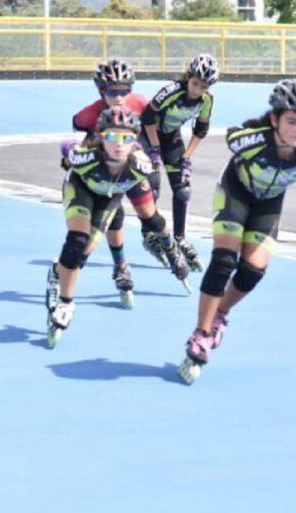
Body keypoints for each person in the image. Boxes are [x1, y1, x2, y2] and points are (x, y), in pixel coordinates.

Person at [178, 79, 296, 383]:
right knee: (224, 261)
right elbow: (232, 137)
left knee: (253, 270)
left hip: (268, 203)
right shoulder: (253, 140)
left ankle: (220, 312)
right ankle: (201, 332)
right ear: (274, 120)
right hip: (236, 191)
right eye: (290, 121)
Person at [45, 107, 192, 348]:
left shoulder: (140, 165)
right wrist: (68, 156)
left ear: (135, 140)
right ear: (102, 137)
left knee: (83, 253)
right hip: (80, 188)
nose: (119, 144)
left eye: (126, 138)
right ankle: (66, 302)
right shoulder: (86, 156)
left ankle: (56, 272)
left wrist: (183, 168)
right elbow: (66, 145)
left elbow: (156, 181)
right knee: (77, 240)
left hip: (109, 196)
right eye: (112, 136)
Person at [64, 60, 160, 299]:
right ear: (101, 93)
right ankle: (120, 266)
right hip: (101, 166)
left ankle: (161, 243)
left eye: (124, 91)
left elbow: (154, 125)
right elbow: (76, 126)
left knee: (147, 207)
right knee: (107, 222)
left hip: (132, 161)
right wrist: (75, 153)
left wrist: (155, 152)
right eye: (112, 92)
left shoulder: (140, 103)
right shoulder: (92, 113)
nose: (119, 98)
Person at [140, 53, 220, 272]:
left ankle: (180, 238)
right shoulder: (171, 91)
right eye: (195, 83)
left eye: (203, 86)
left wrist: (187, 157)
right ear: (188, 77)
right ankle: (149, 233)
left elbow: (200, 130)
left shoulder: (207, 101)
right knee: (152, 186)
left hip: (171, 137)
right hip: (148, 136)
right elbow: (147, 117)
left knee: (183, 189)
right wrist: (154, 149)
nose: (197, 90)